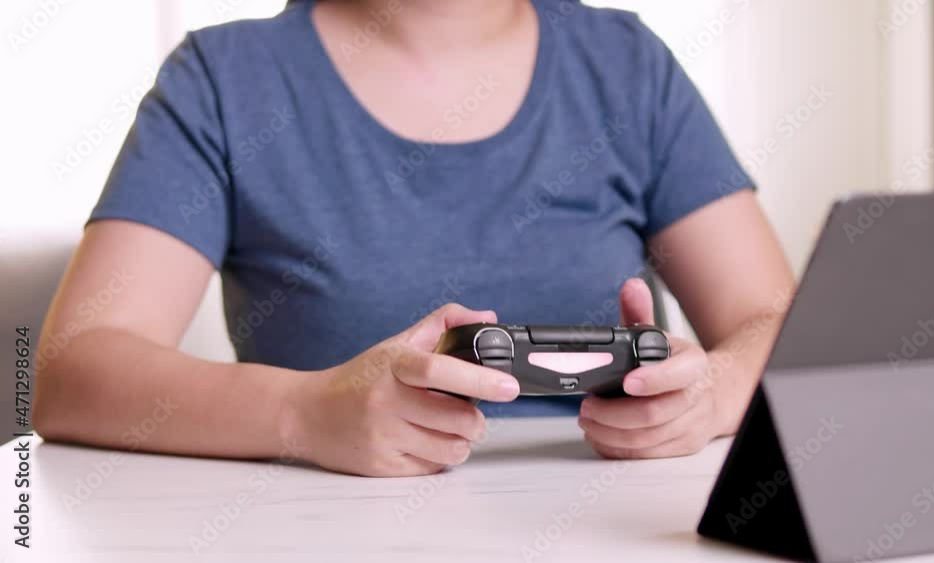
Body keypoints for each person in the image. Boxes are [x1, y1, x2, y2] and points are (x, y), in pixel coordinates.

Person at [33, 0, 794, 477]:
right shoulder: (224, 79)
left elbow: (781, 324)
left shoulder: (627, 65)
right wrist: (302, 414)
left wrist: (710, 396)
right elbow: (74, 370)